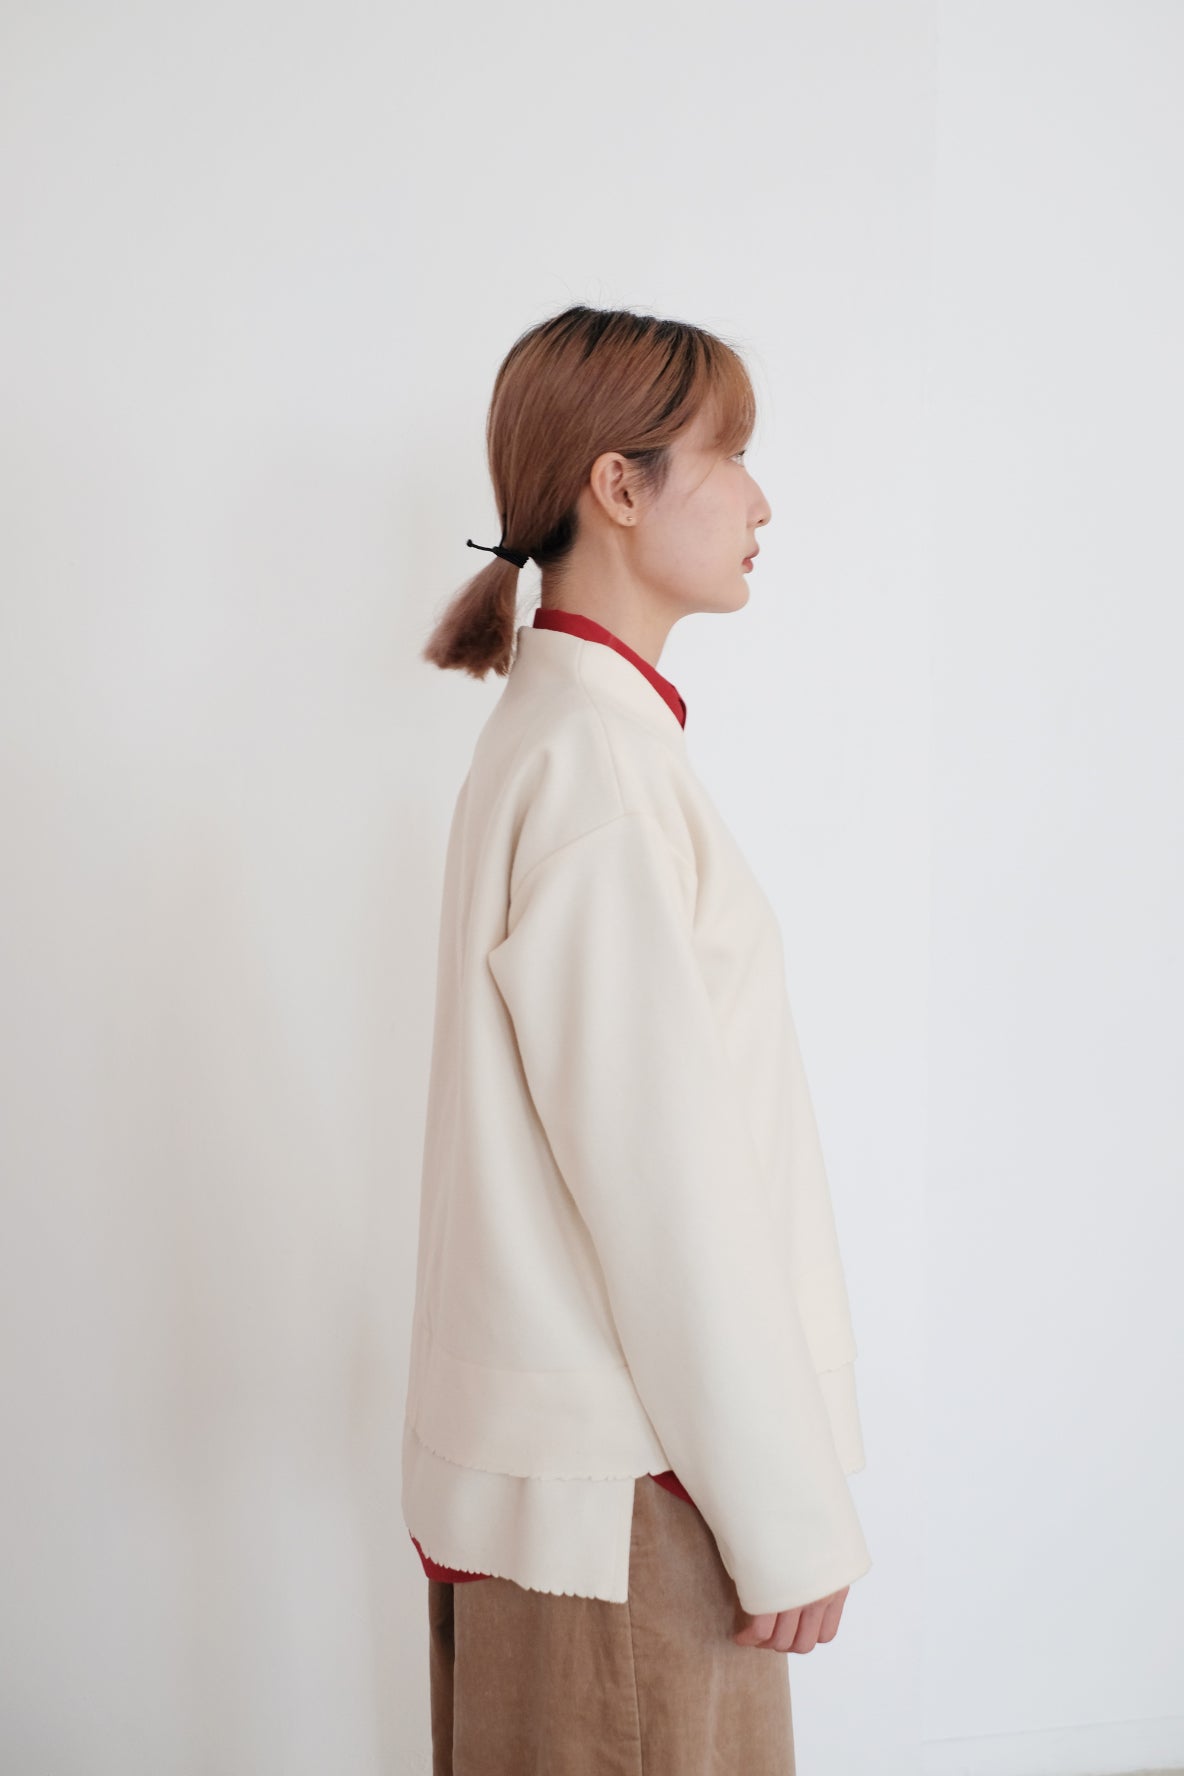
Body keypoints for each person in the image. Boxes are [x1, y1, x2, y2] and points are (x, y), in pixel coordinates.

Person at [402, 303, 872, 1775]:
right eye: (728, 456)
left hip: (604, 1495)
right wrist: (786, 1514)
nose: (761, 500)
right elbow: (670, 1191)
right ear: (618, 485)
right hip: (637, 1507)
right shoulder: (596, 768)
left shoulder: (576, 741)